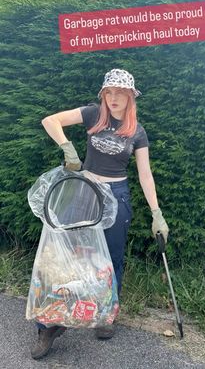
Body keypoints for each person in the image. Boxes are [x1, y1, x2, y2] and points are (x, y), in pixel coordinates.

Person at [31, 68, 169, 359]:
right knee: (65, 257)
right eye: (110, 91)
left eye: (121, 92)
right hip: (84, 192)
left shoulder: (137, 131)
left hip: (117, 197)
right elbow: (50, 120)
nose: (115, 97)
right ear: (103, 95)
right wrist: (67, 147)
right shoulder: (93, 114)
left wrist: (157, 213)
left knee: (111, 259)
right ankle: (48, 326)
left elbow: (145, 175)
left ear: (131, 97)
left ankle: (105, 314)